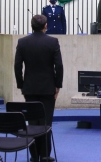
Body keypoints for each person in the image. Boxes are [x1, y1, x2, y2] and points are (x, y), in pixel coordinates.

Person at [14, 15, 64, 162]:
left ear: (31, 26)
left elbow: (17, 66)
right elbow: (59, 66)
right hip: (48, 88)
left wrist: (21, 84)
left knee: (32, 123)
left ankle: (34, 156)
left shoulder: (22, 42)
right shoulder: (52, 41)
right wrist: (57, 85)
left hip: (29, 88)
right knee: (46, 123)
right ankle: (45, 155)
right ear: (45, 26)